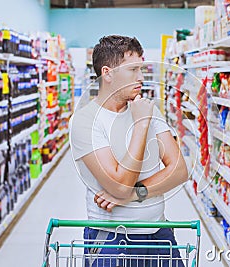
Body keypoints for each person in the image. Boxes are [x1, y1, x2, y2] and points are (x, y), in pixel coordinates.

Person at [70, 35, 189, 266]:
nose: (141, 77)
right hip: (111, 240)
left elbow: (179, 170)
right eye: (133, 70)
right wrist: (141, 124)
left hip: (159, 233)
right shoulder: (86, 120)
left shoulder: (146, 109)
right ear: (108, 73)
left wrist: (134, 194)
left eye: (141, 69)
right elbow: (119, 183)